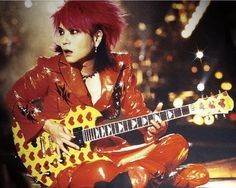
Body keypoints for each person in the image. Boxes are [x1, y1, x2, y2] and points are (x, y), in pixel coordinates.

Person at [5, 1, 209, 188]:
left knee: (177, 143)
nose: (64, 40)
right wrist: (48, 125)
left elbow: (138, 113)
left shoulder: (121, 67)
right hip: (67, 159)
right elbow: (13, 98)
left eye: (74, 32)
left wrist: (154, 128)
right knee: (100, 171)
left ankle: (138, 176)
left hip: (109, 152)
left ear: (97, 37)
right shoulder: (49, 69)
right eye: (61, 32)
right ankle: (164, 180)